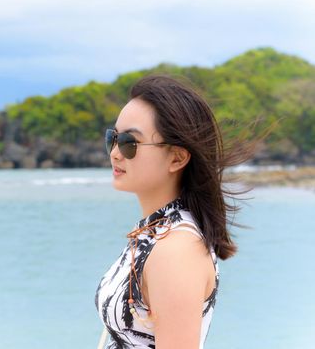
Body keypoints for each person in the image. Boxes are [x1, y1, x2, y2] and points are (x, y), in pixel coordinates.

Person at [94, 74, 269, 349]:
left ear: (177, 157)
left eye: (130, 143)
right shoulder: (156, 232)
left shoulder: (175, 251)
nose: (115, 152)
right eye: (112, 138)